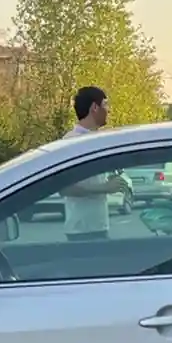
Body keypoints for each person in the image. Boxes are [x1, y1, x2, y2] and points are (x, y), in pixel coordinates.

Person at [60, 86, 113, 241]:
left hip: (98, 227)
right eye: (105, 105)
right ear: (94, 107)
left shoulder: (99, 140)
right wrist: (104, 188)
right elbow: (65, 188)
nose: (108, 110)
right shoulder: (71, 142)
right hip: (81, 232)